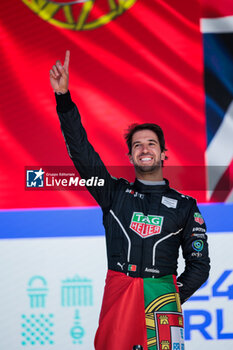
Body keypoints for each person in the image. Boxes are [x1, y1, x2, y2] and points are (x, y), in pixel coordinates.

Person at [50, 51, 210, 350]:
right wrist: (63, 98)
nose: (144, 148)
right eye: (137, 144)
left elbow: (199, 266)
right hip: (119, 292)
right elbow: (82, 152)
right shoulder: (113, 193)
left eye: (151, 143)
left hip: (162, 296)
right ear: (130, 156)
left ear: (163, 154)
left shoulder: (186, 206)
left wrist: (170, 297)